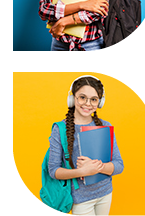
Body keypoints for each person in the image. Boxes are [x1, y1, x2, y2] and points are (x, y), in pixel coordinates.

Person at [48, 76, 124, 216]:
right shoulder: (60, 130)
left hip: (105, 193)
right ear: (72, 98)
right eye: (82, 97)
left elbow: (119, 165)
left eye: (94, 99)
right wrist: (82, 172)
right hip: (81, 200)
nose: (88, 103)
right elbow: (53, 171)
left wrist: (96, 166)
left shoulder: (105, 126)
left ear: (100, 102)